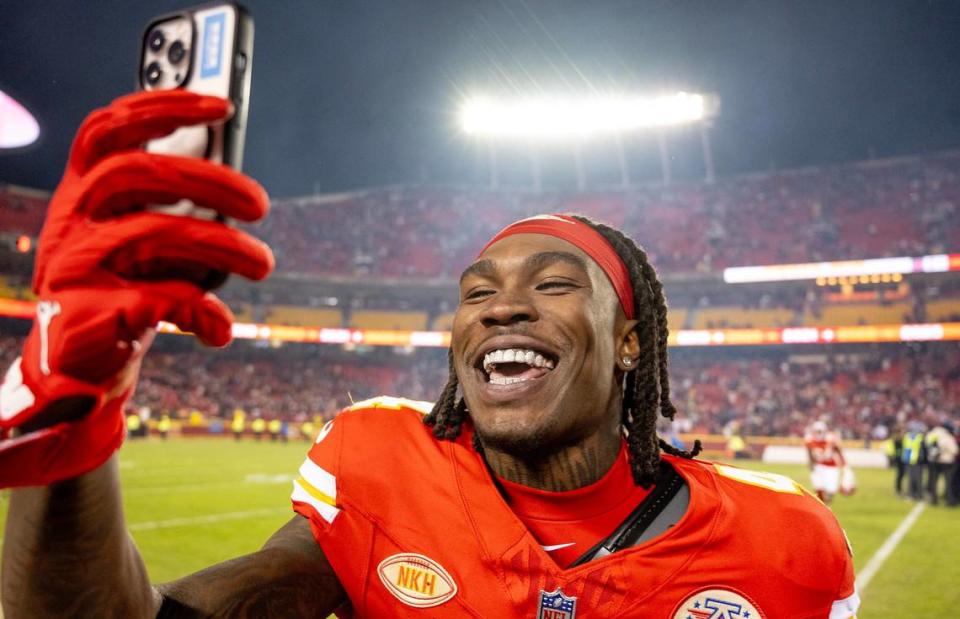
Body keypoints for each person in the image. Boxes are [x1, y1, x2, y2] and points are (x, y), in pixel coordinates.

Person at [0, 91, 859, 618]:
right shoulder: (378, 465)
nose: (502, 306)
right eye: (476, 291)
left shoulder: (785, 542)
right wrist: (77, 407)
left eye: (554, 285)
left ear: (633, 340)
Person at [804, 419, 846, 505]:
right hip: (818, 466)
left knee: (831, 490)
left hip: (831, 467)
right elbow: (809, 453)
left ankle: (826, 503)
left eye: (820, 431)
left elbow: (838, 451)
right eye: (816, 431)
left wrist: (843, 463)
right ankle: (822, 506)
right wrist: (810, 463)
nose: (818, 433)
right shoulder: (810, 440)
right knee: (818, 487)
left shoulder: (831, 439)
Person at [925, 419, 958, 506]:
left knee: (933, 481)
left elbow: (927, 446)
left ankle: (933, 499)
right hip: (947, 461)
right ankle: (949, 500)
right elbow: (954, 450)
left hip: (933, 461)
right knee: (948, 482)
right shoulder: (947, 436)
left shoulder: (931, 434)